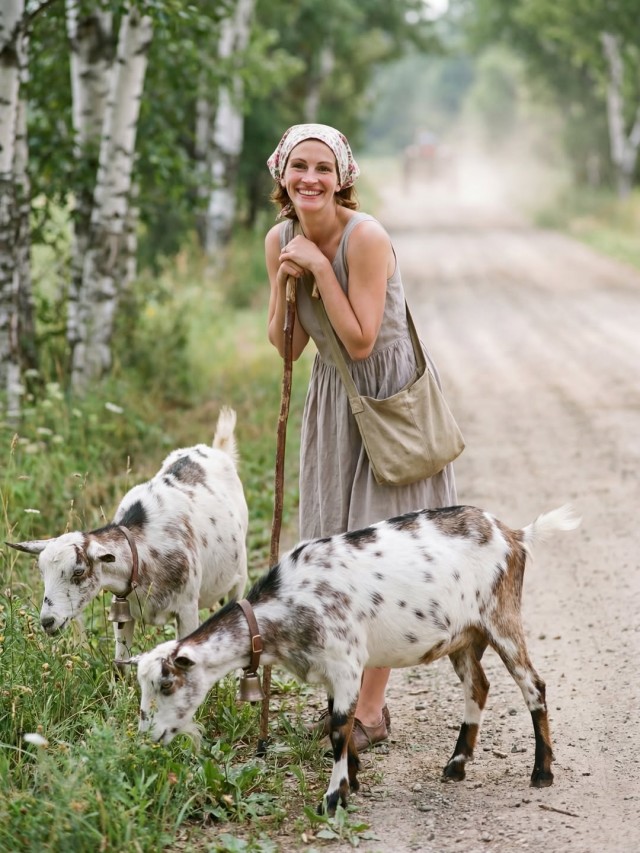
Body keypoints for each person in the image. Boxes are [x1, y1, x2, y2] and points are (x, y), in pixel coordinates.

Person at [265, 123, 457, 752]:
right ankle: (344, 694)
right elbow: (290, 346)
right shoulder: (279, 239)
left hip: (383, 398)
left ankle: (368, 712)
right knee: (332, 548)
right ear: (282, 175)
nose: (310, 179)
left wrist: (319, 265)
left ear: (343, 176)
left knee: (382, 555)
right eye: (299, 167)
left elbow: (361, 340)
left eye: (323, 168)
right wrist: (281, 283)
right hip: (331, 398)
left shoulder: (365, 237)